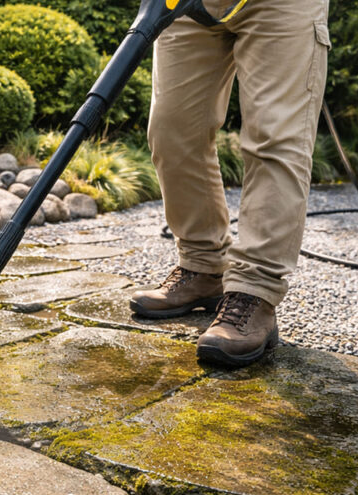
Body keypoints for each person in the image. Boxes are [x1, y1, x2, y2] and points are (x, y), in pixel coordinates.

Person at [130, 0, 331, 367]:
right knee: (172, 131)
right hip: (190, 6)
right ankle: (203, 264)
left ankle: (254, 291)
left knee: (275, 140)